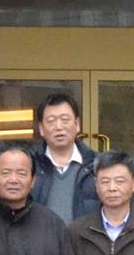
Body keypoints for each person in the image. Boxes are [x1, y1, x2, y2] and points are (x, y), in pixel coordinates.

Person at [29, 91, 96, 222]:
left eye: (65, 120)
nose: (59, 127)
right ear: (41, 128)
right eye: (51, 121)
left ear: (77, 124)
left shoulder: (96, 165)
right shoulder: (30, 165)